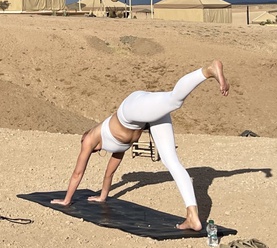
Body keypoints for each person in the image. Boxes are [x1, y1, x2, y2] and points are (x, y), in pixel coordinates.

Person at [52, 61, 228, 230]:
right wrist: (102, 196)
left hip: (130, 110)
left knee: (174, 100)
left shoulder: (90, 139)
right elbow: (109, 173)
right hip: (145, 118)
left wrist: (67, 200)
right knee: (171, 161)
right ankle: (192, 216)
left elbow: (77, 173)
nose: (83, 146)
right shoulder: (115, 148)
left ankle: (207, 71)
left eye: (82, 142)